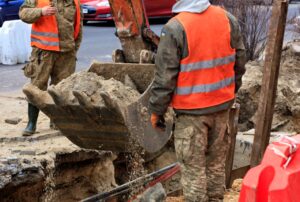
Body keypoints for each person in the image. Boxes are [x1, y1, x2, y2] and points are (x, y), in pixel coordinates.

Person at [149, 0, 247, 201]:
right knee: (215, 166)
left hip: (191, 113)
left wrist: (157, 111)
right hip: (221, 108)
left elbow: (165, 78)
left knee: (193, 171)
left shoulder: (175, 28)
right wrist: (230, 91)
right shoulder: (227, 19)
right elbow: (240, 62)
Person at [19, 0, 83, 136]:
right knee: (36, 86)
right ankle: (32, 124)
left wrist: (74, 49)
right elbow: (23, 14)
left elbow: (78, 26)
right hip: (44, 51)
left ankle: (57, 121)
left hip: (67, 52)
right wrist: (41, 12)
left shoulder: (74, 2)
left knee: (61, 88)